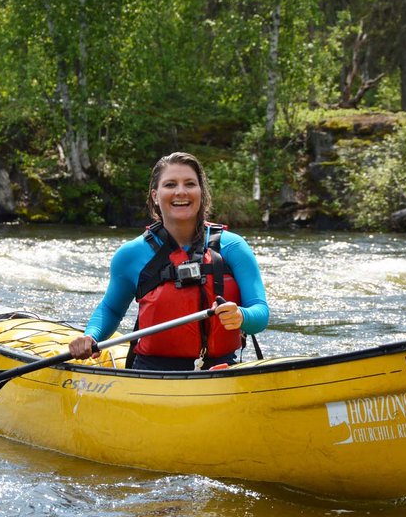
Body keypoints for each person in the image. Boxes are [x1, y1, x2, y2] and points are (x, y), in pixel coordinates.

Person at [68, 151, 269, 371]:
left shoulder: (233, 247)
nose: (181, 192)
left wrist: (241, 316)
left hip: (222, 370)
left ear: (201, 192)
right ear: (155, 195)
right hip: (151, 372)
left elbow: (260, 312)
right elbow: (111, 309)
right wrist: (90, 336)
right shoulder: (130, 255)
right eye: (170, 184)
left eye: (190, 184)